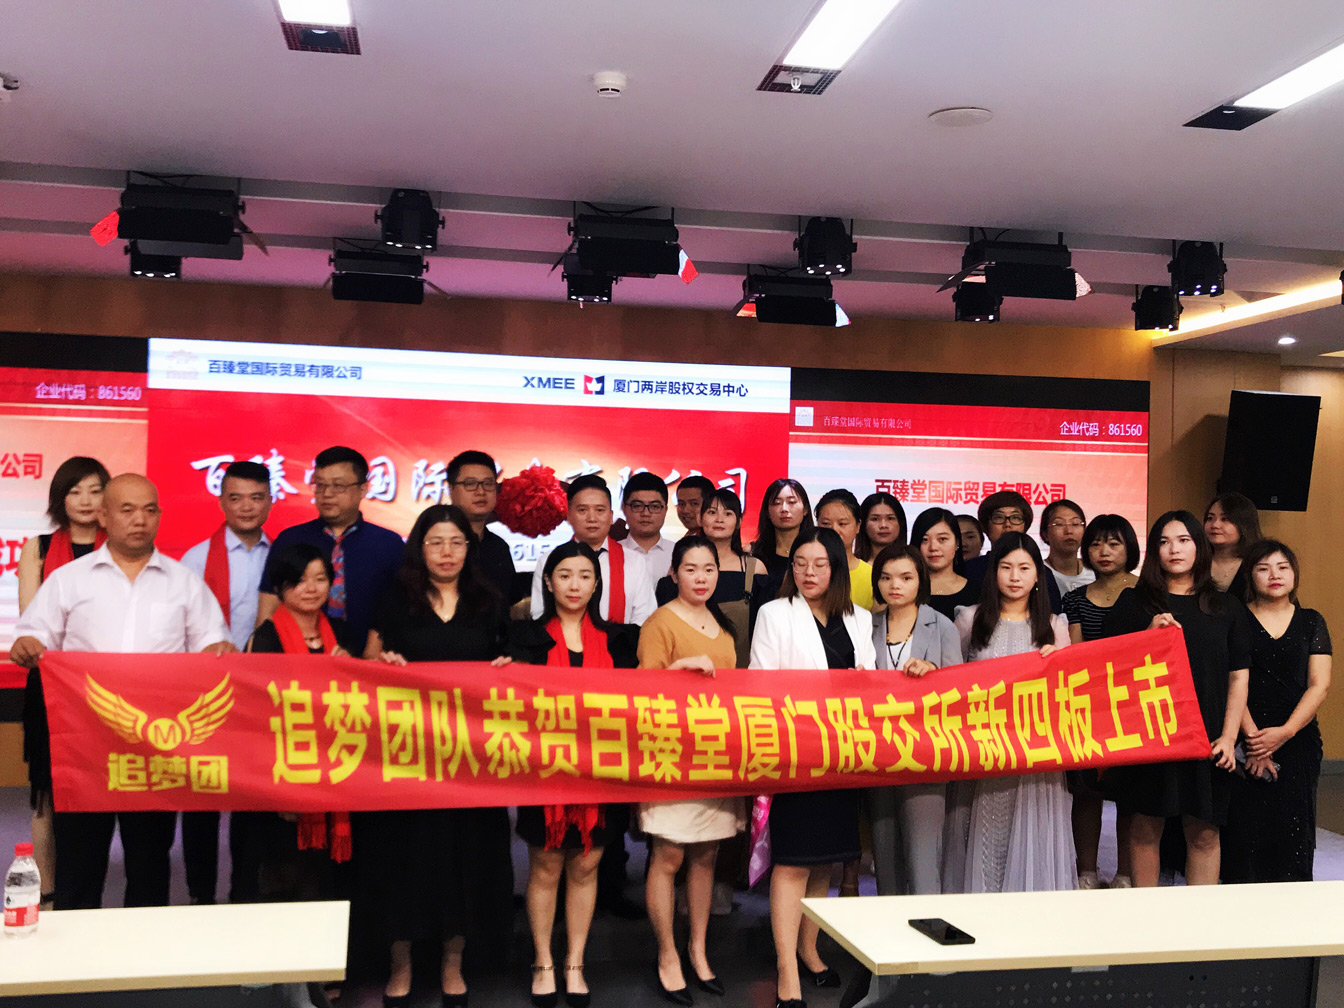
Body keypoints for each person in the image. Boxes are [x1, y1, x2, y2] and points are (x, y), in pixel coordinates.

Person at [10, 474, 232, 910]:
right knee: (80, 863)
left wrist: (218, 651)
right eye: (127, 510)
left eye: (149, 510)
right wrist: (27, 645)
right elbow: (32, 636)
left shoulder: (184, 582)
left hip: (153, 750)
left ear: (160, 517)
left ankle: (143, 951)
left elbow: (213, 645)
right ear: (104, 515)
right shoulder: (68, 580)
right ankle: (76, 949)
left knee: (149, 866)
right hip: (85, 747)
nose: (139, 520)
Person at [359, 504, 514, 1007]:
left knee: (465, 860)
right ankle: (400, 963)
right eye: (435, 542)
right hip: (408, 760)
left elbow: (509, 667)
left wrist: (505, 670)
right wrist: (383, 665)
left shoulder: (488, 601)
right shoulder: (395, 599)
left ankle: (453, 963)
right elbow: (366, 666)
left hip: (469, 763)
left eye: (456, 542)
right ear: (419, 548)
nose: (447, 553)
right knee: (403, 860)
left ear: (469, 549)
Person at [749, 527, 876, 1008]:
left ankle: (810, 950)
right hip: (796, 755)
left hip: (843, 756)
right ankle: (787, 970)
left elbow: (870, 683)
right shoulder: (774, 613)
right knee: (793, 861)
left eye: (820, 564)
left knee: (825, 858)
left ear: (837, 568)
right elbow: (760, 685)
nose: (808, 572)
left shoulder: (860, 618)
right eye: (800, 563)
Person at [508, 541, 639, 1008]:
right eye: (564, 575)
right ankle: (543, 961)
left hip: (600, 773)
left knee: (586, 866)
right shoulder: (523, 639)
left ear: (596, 583)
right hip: (545, 772)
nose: (574, 585)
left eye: (584, 576)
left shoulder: (621, 640)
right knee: (545, 867)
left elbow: (649, 691)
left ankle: (575, 962)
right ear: (548, 582)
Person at [1100, 511, 1250, 887]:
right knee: (1144, 829)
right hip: (1151, 735)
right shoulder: (1133, 603)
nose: (1174, 549)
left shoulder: (1225, 607)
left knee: (1204, 833)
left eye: (1184, 540)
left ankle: (1200, 921)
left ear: (1199, 546)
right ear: (1154, 551)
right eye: (1164, 542)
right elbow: (1110, 669)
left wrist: (1229, 737)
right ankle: (1148, 918)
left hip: (1208, 736)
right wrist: (1148, 636)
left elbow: (1238, 676)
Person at [638, 536, 745, 1005]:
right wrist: (679, 669)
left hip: (714, 755)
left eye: (708, 569)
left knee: (706, 856)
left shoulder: (723, 625)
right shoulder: (660, 623)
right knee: (669, 857)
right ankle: (667, 954)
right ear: (673, 574)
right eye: (691, 569)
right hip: (671, 755)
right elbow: (641, 693)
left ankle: (698, 950)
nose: (701, 578)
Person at [945, 532, 1074, 894]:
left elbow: (1069, 692)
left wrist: (1058, 665)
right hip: (980, 750)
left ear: (1038, 576)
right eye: (1006, 567)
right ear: (993, 573)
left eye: (1024, 568)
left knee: (1028, 836)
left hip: (1032, 755)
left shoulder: (1054, 626)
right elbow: (949, 685)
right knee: (978, 836)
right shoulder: (969, 620)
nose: (1015, 577)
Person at [14, 455, 110, 909]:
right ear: (60, 499)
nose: (86, 501)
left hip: (110, 689)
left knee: (100, 786)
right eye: (75, 491)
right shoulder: (37, 547)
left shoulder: (123, 548)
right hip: (54, 686)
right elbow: (33, 621)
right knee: (48, 791)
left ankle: (86, 888)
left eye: (95, 490)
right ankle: (47, 893)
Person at [178, 459, 273, 906]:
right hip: (207, 696)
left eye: (256, 497)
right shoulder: (195, 559)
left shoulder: (283, 556)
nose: (246, 507)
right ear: (221, 502)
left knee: (254, 802)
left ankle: (245, 895)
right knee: (202, 801)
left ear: (270, 501)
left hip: (263, 696)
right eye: (236, 498)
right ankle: (201, 897)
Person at [240, 542, 349, 908]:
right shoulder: (265, 639)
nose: (311, 588)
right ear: (281, 587)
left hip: (336, 774)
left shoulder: (341, 635)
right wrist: (280, 789)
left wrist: (350, 670)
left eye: (320, 578)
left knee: (331, 884)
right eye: (300, 580)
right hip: (284, 776)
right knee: (288, 882)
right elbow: (256, 718)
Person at [1222, 540, 1332, 884]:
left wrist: (1285, 732)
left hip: (1297, 738)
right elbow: (1231, 681)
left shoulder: (1311, 621)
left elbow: (1319, 685)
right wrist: (1255, 742)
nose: (1274, 575)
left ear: (1294, 574)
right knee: (1245, 836)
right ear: (1250, 575)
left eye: (1283, 567)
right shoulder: (1234, 618)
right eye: (1263, 568)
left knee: (1293, 835)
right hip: (1244, 738)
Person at [867, 544, 960, 896]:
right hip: (876, 753)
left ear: (921, 581)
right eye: (886, 578)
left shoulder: (942, 626)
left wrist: (933, 672)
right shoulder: (867, 625)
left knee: (923, 856)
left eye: (906, 578)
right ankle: (888, 927)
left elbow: (959, 691)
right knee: (884, 855)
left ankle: (927, 923)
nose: (895, 585)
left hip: (925, 751)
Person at [258, 445, 403, 654]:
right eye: (320, 485)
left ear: (363, 489)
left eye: (338, 486)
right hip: (297, 660)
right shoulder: (290, 540)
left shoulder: (389, 544)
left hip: (372, 661)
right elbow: (268, 609)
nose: (327, 494)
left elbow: (399, 610)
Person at [1060, 514, 1141, 889]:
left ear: (1129, 548)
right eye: (1095, 544)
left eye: (1113, 543)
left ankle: (1126, 873)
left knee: (1132, 796)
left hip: (1136, 706)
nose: (1104, 551)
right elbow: (1076, 655)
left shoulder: (1147, 594)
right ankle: (1087, 872)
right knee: (1086, 792)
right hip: (1088, 705)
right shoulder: (1074, 599)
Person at [530, 474, 657, 626]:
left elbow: (645, 616)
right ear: (569, 516)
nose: (592, 518)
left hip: (621, 641)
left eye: (600, 510)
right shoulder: (548, 561)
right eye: (582, 510)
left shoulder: (634, 562)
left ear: (611, 516)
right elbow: (540, 614)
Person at [656, 487, 761, 666]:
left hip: (740, 671)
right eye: (712, 512)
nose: (719, 519)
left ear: (739, 521)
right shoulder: (680, 568)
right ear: (700, 518)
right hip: (686, 668)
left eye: (728, 513)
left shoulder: (754, 568)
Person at [965, 490, 1063, 614]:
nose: (1007, 524)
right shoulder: (969, 570)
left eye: (1016, 518)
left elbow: (1051, 615)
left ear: (1025, 526)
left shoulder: (1041, 572)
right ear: (986, 526)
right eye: (999, 517)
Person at [447, 449, 517, 602]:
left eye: (488, 484)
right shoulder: (438, 543)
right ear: (451, 490)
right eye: (470, 484)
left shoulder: (499, 547)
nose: (481, 492)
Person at [749, 478, 815, 609]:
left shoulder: (817, 553)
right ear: (767, 512)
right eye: (776, 503)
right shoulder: (752, 554)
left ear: (806, 509)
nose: (784, 509)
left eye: (792, 502)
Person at [911, 508, 978, 620]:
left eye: (942, 539)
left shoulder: (977, 592)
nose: (933, 547)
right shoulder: (907, 589)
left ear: (957, 543)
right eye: (924, 539)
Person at [815, 488, 874, 611]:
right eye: (826, 524)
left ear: (858, 526)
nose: (834, 530)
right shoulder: (806, 571)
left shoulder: (871, 576)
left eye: (842, 524)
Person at [621, 471, 676, 597]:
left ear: (665, 510)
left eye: (655, 507)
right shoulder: (610, 554)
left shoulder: (680, 554)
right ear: (624, 508)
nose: (646, 513)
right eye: (637, 506)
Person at [1204, 492, 1261, 596]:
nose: (1215, 525)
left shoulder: (1258, 564)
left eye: (1225, 519)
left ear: (1244, 525)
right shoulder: (1195, 561)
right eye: (1210, 518)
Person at [1040, 499, 1095, 597]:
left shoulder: (1095, 571)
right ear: (1045, 534)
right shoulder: (1037, 573)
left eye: (1075, 524)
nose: (1069, 531)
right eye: (1059, 524)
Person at [853, 491, 906, 563]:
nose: (883, 525)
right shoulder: (851, 565)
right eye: (875, 519)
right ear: (863, 524)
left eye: (890, 518)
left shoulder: (912, 564)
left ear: (901, 523)